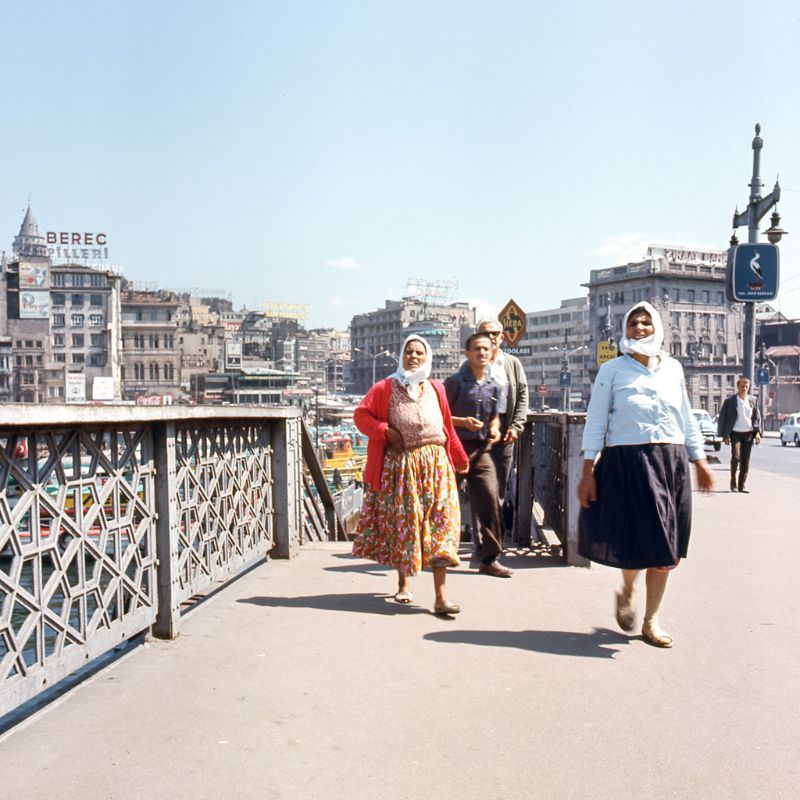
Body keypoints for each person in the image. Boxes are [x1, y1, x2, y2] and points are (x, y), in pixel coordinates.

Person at [577, 302, 714, 648]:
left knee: (667, 546)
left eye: (646, 323)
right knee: (637, 538)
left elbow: (686, 417)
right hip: (629, 461)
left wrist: (699, 461)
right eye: (634, 323)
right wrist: (587, 470)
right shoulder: (612, 371)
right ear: (625, 329)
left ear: (657, 328)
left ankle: (651, 620)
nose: (640, 328)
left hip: (671, 461)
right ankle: (628, 588)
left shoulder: (673, 369)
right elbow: (596, 421)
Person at [352, 335, 468, 615]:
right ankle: (404, 583)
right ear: (401, 356)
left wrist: (460, 458)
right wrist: (384, 431)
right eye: (408, 352)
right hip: (403, 467)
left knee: (443, 526)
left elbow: (446, 429)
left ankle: (441, 598)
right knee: (407, 525)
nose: (413, 357)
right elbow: (361, 416)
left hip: (437, 466)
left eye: (419, 353)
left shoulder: (436, 388)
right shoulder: (384, 388)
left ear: (426, 357)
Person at [445, 332, 512, 577]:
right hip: (454, 450)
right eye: (476, 349)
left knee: (491, 500)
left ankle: (489, 558)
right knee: (443, 502)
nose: (482, 353)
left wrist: (494, 427)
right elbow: (438, 414)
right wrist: (462, 422)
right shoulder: (454, 383)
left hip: (481, 451)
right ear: (467, 354)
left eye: (486, 349)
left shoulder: (493, 384)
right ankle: (433, 551)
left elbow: (495, 415)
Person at [477, 318, 530, 528]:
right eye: (485, 333)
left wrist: (517, 425)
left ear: (501, 337)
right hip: (477, 434)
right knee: (479, 486)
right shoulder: (471, 363)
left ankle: (492, 537)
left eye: (494, 333)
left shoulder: (512, 363)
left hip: (505, 432)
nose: (490, 337)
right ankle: (481, 536)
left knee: (499, 485)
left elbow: (523, 393)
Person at [716, 376, 761, 493]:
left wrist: (757, 433)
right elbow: (723, 418)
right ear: (737, 386)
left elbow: (757, 418)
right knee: (736, 457)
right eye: (742, 386)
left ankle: (742, 485)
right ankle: (733, 482)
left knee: (745, 461)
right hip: (735, 433)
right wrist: (725, 435)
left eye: (747, 386)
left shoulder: (753, 400)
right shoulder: (730, 401)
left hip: (748, 434)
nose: (744, 389)